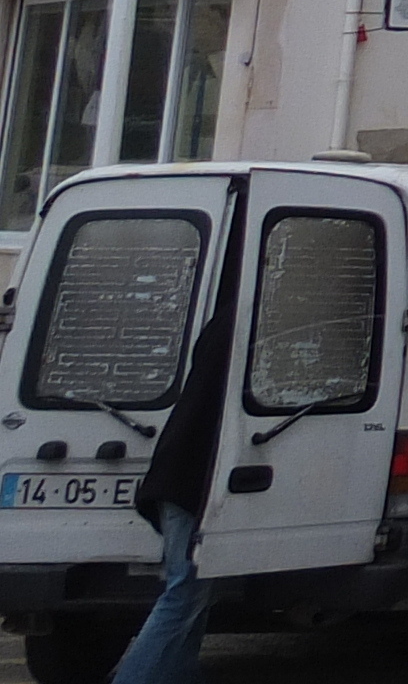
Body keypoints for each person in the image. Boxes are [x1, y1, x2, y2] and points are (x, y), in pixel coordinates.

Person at [116, 206, 244, 684]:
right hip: (193, 483)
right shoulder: (248, 324)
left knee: (193, 592)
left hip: (176, 478)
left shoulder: (224, 321)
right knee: (184, 592)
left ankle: (180, 674)